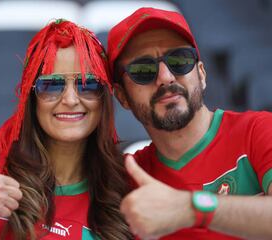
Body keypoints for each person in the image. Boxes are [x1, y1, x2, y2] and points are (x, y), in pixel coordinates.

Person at [0, 19, 132, 240]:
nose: (70, 99)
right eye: (51, 85)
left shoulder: (126, 188)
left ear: (104, 98)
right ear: (31, 97)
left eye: (88, 85)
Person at [107, 7, 272, 240]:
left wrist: (192, 208)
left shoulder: (259, 130)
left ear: (202, 74)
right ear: (122, 95)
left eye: (179, 60)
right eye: (143, 70)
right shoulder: (124, 180)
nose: (165, 77)